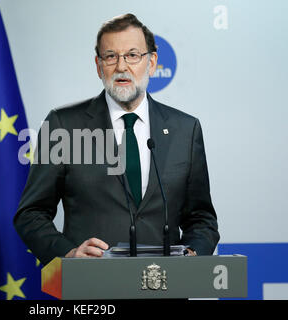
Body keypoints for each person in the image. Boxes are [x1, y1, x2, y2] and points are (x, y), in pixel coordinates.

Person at [14, 13, 219, 266]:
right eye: (111, 56)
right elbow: (30, 213)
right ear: (99, 66)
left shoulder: (185, 129)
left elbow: (201, 218)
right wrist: (67, 254)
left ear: (152, 62)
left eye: (132, 55)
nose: (121, 66)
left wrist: (193, 255)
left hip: (166, 286)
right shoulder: (64, 125)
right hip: (93, 290)